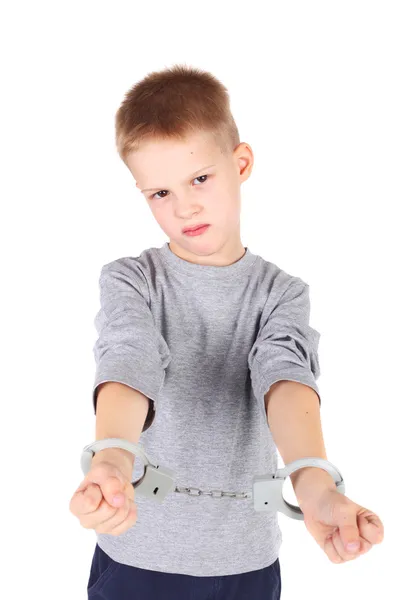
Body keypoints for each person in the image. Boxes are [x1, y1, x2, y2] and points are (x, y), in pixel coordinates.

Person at [69, 64, 383, 600]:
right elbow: (129, 358)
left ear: (240, 164)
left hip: (247, 564)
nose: (184, 206)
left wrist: (313, 482)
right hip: (138, 559)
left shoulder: (281, 293)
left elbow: (285, 380)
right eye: (158, 193)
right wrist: (114, 455)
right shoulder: (131, 280)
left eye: (199, 178)